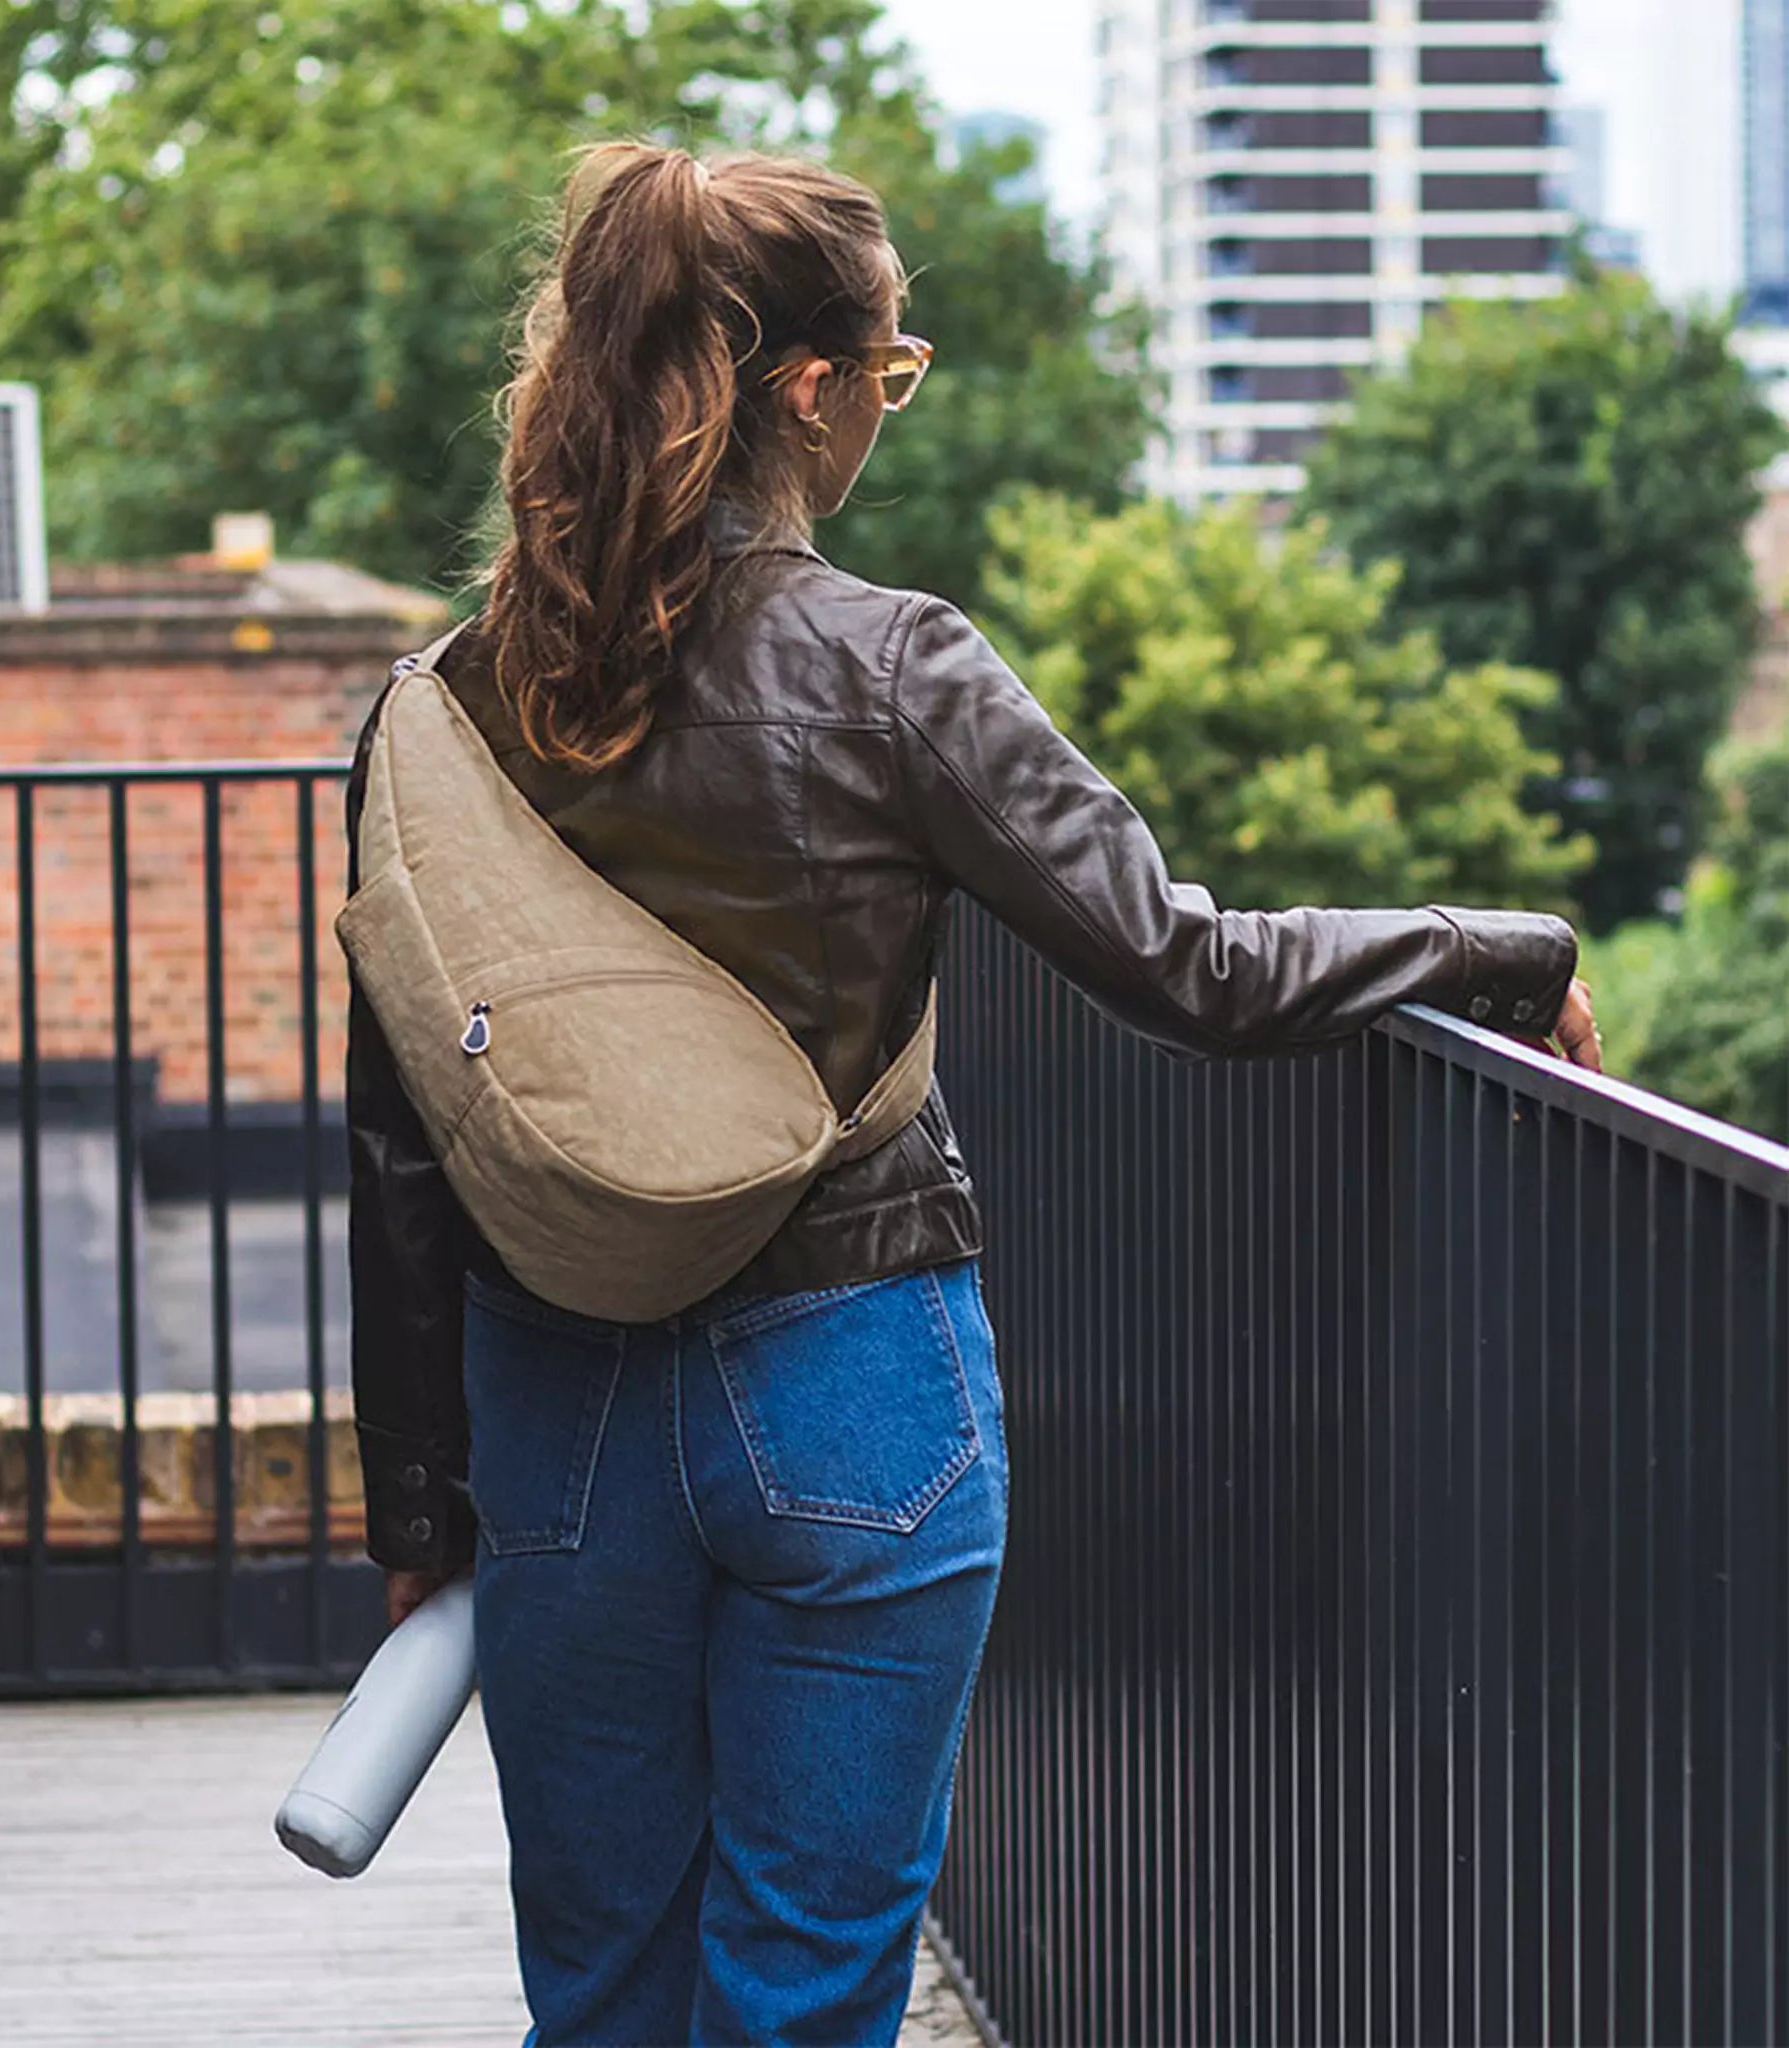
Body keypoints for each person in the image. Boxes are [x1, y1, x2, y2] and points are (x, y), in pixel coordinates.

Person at [342, 142, 1601, 2048]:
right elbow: (1193, 969)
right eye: (892, 370)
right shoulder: (895, 668)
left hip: (555, 1407)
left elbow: (404, 1128)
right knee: (813, 1988)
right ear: (809, 390)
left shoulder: (441, 704)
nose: (886, 410)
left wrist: (423, 1502)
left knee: (598, 1990)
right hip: (853, 1379)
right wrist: (1495, 947)